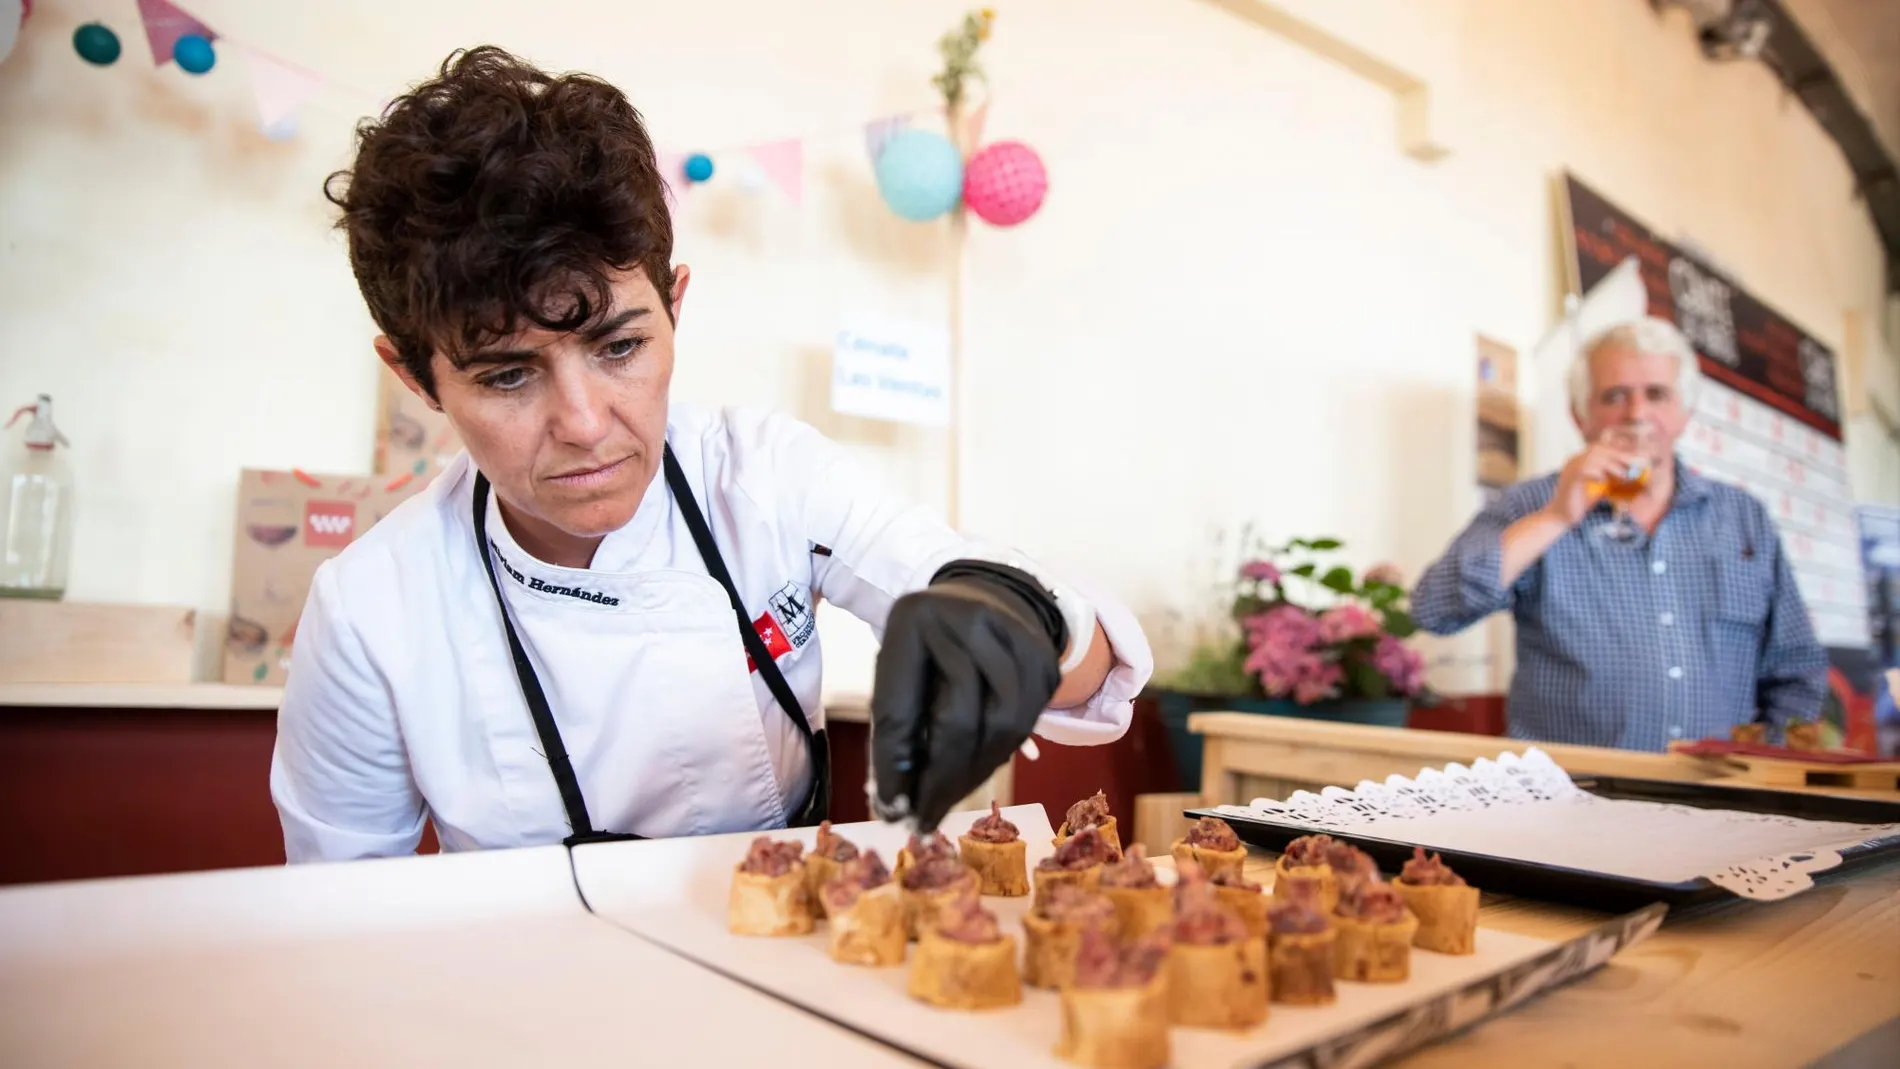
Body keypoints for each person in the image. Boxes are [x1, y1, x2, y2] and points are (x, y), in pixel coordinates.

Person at [269, 47, 1152, 862]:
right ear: (417, 376)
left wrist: (1008, 618)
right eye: (507, 376)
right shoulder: (369, 612)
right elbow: (343, 916)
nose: (583, 421)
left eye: (620, 347)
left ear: (674, 306)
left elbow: (1082, 664)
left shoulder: (765, 474)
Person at [1412, 316, 1825, 751]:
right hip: (1573, 800)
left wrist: (1767, 767)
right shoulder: (1530, 505)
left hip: (1726, 801)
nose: (1636, 414)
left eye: (1657, 394)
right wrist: (1555, 518)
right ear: (1580, 416)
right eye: (1614, 396)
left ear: (1685, 414)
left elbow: (1796, 666)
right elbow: (1433, 609)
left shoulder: (1744, 518)